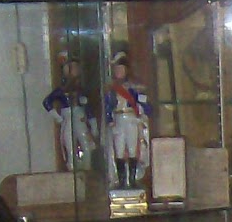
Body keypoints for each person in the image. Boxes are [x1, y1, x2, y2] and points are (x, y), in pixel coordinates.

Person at [105, 50, 153, 192]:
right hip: (118, 119)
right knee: (119, 150)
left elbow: (144, 104)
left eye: (121, 69)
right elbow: (108, 106)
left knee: (132, 149)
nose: (119, 72)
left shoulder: (134, 87)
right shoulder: (112, 89)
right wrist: (109, 120)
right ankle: (121, 180)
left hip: (131, 119)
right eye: (117, 69)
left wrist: (143, 111)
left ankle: (132, 180)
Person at [42, 55, 96, 171]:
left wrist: (93, 124)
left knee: (86, 144)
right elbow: (47, 102)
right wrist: (57, 117)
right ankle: (71, 168)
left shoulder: (82, 90)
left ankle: (87, 168)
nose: (75, 71)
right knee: (69, 145)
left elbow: (88, 108)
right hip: (68, 118)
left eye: (77, 68)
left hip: (80, 119)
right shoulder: (61, 91)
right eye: (72, 68)